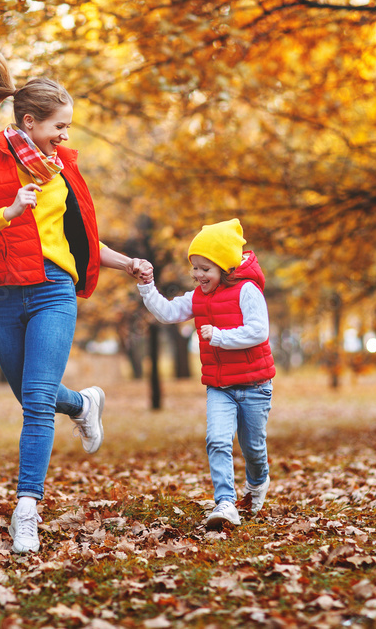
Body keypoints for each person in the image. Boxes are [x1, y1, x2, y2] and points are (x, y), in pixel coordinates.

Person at [0, 48, 152, 554]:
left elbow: (82, 239)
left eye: (67, 128)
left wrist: (126, 262)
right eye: (59, 126)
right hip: (2, 296)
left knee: (36, 404)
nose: (66, 136)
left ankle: (26, 510)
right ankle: (84, 403)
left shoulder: (61, 168)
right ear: (30, 121)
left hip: (52, 290)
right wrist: (9, 210)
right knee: (32, 397)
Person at [136, 219, 275, 530]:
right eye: (194, 268)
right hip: (220, 386)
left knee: (253, 448)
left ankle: (257, 482)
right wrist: (147, 286)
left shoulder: (248, 291)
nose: (198, 275)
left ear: (225, 267)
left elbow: (258, 331)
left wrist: (221, 336)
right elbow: (168, 312)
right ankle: (225, 503)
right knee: (217, 440)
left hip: (254, 385)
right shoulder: (198, 297)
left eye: (205, 269)